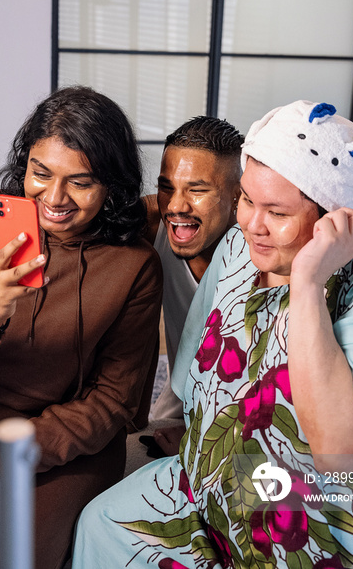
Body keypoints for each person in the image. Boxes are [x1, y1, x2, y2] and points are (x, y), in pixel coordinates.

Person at [72, 99, 353, 569]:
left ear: (337, 218)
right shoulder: (243, 242)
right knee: (102, 526)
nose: (250, 226)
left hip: (323, 514)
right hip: (215, 479)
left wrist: (308, 282)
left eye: (276, 212)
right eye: (246, 199)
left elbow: (341, 450)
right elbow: (198, 368)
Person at [0, 86, 162, 569]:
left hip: (63, 441)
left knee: (11, 551)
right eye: (40, 173)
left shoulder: (134, 265)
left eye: (81, 182)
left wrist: (18, 450)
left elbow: (114, 399)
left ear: (112, 183)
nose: (54, 198)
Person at [137, 117, 243, 456]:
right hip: (178, 394)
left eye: (197, 190)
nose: (176, 205)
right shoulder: (154, 220)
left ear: (239, 197)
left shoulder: (262, 248)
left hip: (244, 405)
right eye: (167, 186)